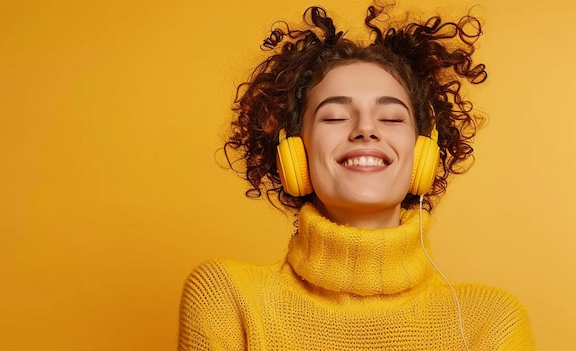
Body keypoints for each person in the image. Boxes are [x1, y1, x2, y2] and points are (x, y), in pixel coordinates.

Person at [178, 4, 534, 350]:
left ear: (423, 152)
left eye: (392, 118)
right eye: (334, 117)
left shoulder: (490, 321)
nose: (366, 129)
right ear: (294, 151)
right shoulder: (227, 297)